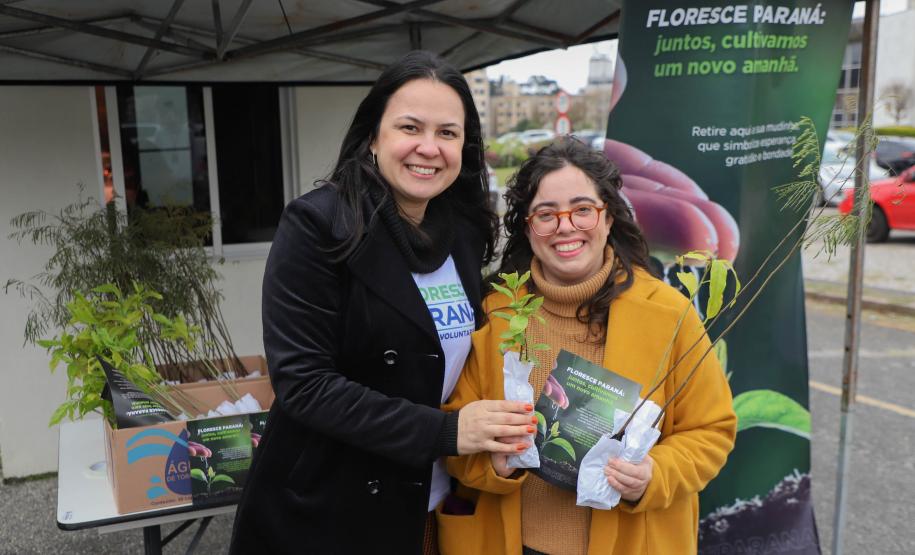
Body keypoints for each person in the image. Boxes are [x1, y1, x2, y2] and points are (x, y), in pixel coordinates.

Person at [229, 51, 536, 555]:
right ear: (373, 136)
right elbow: (305, 384)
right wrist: (446, 431)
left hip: (429, 502)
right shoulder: (318, 225)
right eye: (410, 127)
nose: (428, 148)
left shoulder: (463, 230)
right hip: (329, 511)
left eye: (448, 133)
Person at [438, 137, 737, 554]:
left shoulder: (668, 314)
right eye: (546, 214)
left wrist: (656, 473)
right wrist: (490, 462)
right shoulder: (498, 311)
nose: (566, 227)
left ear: (609, 217)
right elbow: (452, 427)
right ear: (528, 226)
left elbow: (711, 430)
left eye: (583, 210)